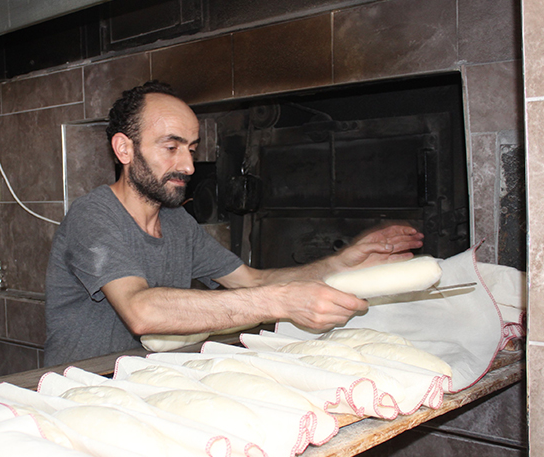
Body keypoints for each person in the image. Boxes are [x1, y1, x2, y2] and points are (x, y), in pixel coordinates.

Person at [44, 81, 423, 366]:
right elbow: (141, 311)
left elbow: (252, 281)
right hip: (81, 390)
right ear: (124, 149)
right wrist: (280, 302)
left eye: (192, 149)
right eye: (171, 147)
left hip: (145, 383)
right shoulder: (92, 215)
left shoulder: (177, 223)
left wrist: (341, 264)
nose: (188, 166)